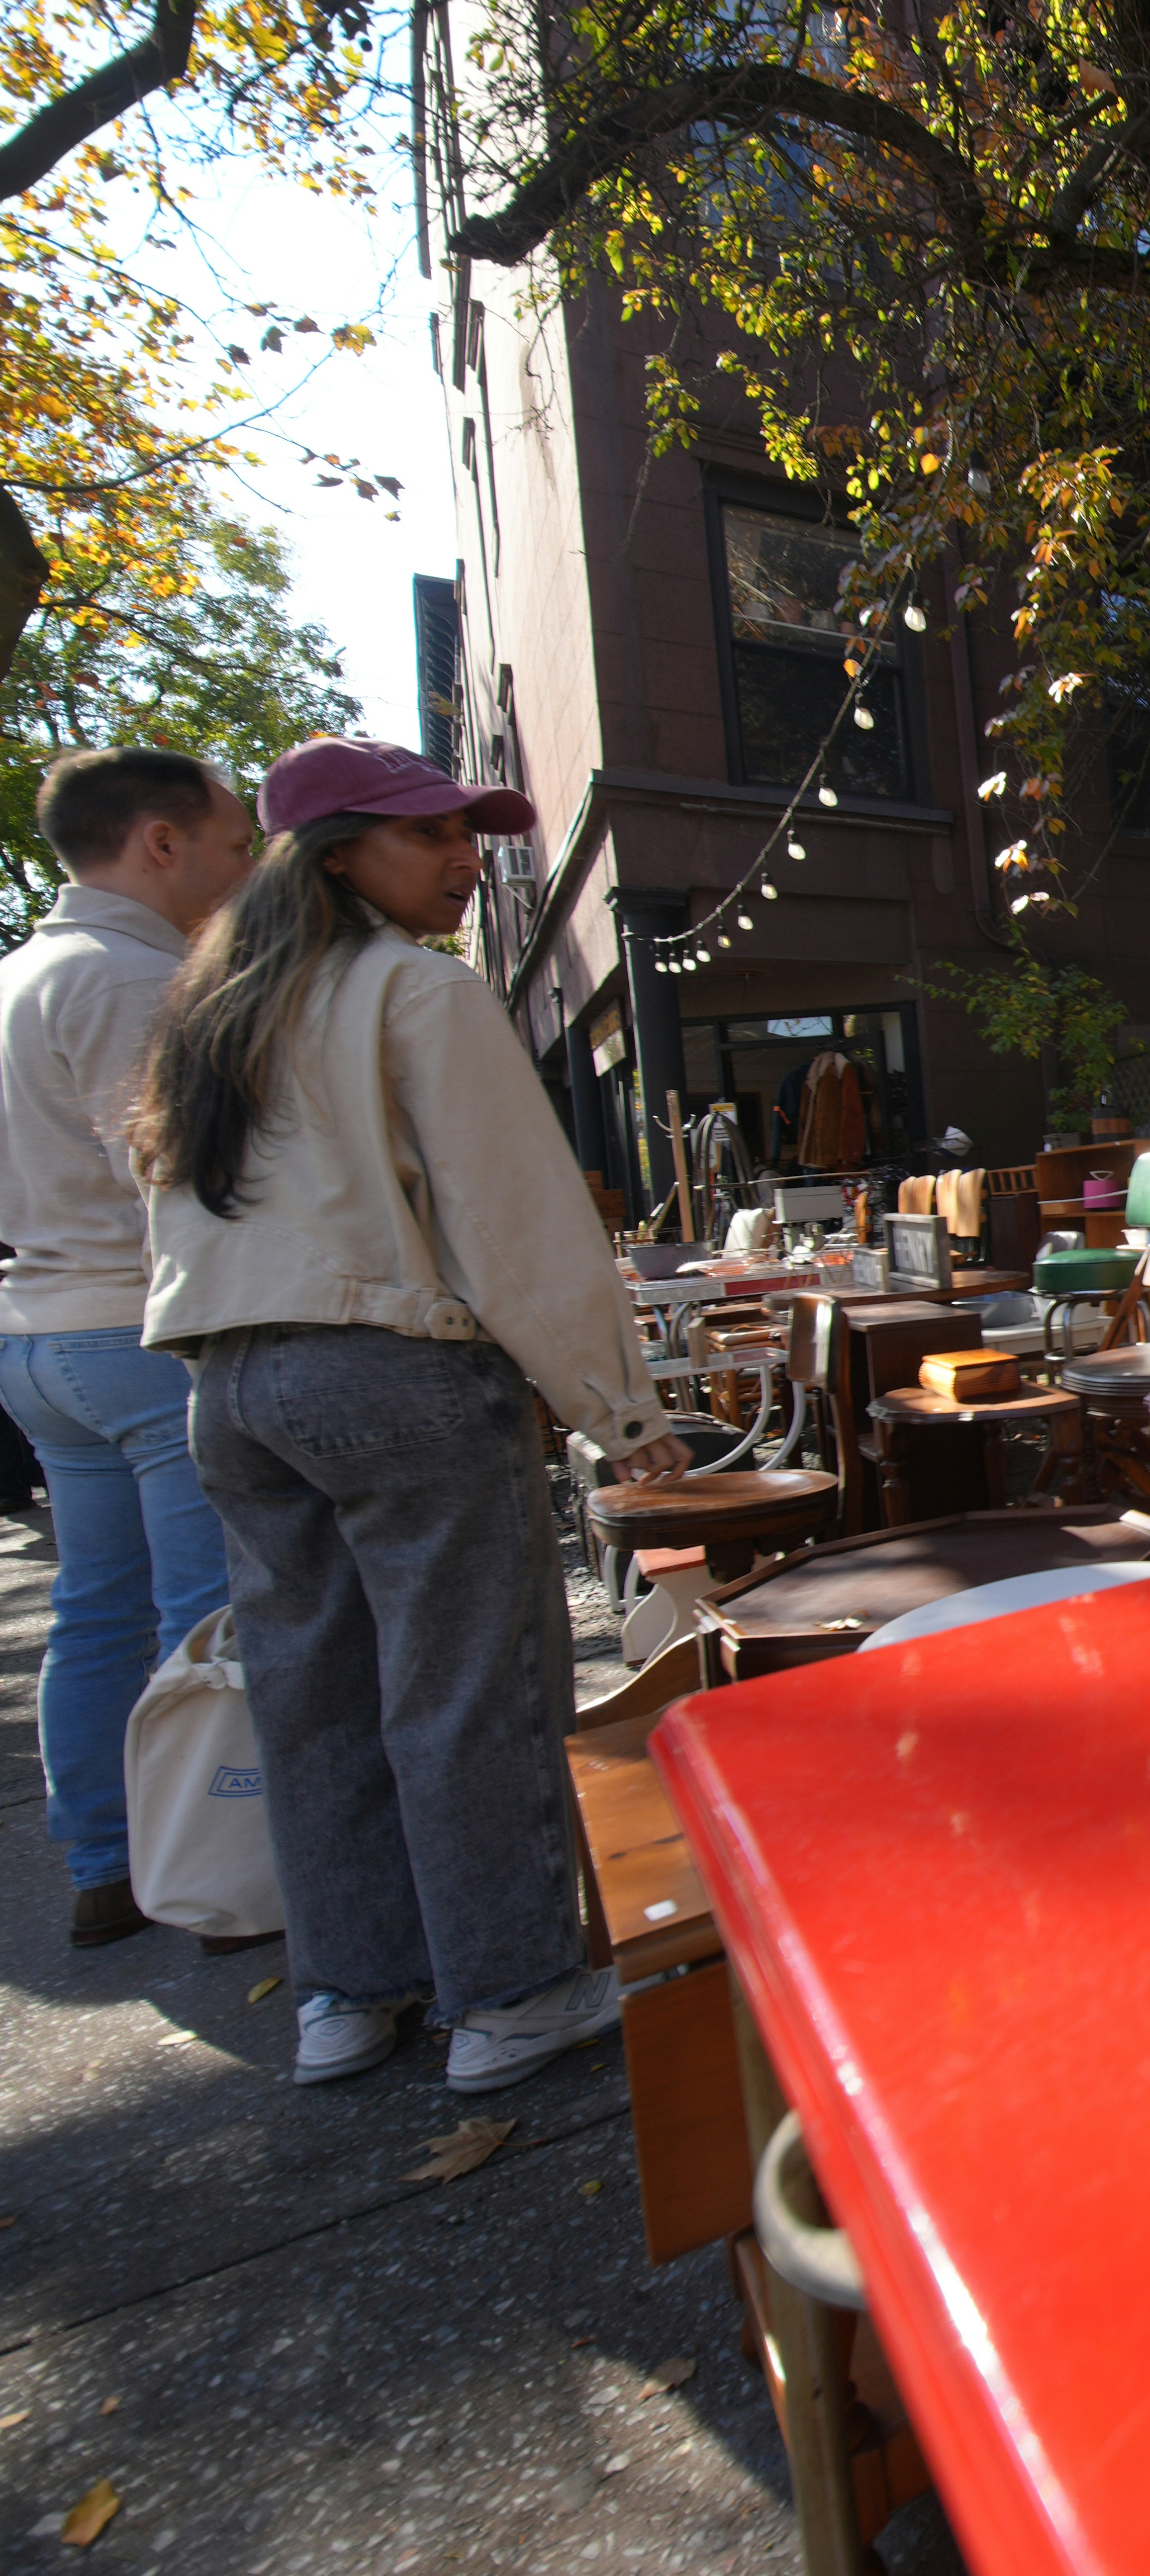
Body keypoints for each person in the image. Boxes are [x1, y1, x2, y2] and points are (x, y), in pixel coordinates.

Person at [134, 737, 690, 2090]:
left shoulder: (212, 1007)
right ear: (339, 859)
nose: (464, 859)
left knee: (309, 1698)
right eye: (427, 836)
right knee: (467, 1692)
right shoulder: (412, 992)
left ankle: (349, 1989)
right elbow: (516, 1222)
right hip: (392, 1369)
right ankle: (510, 1992)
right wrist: (619, 1408)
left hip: (231, 1383)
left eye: (468, 833)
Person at [0, 748, 255, 1940]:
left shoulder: (24, 972)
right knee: (206, 1616)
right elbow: (166, 1175)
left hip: (44, 1337)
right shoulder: (127, 979)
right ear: (161, 842)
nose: (242, 868)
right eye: (233, 843)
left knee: (95, 1608)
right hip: (135, 1329)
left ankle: (106, 1857)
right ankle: (214, 1866)